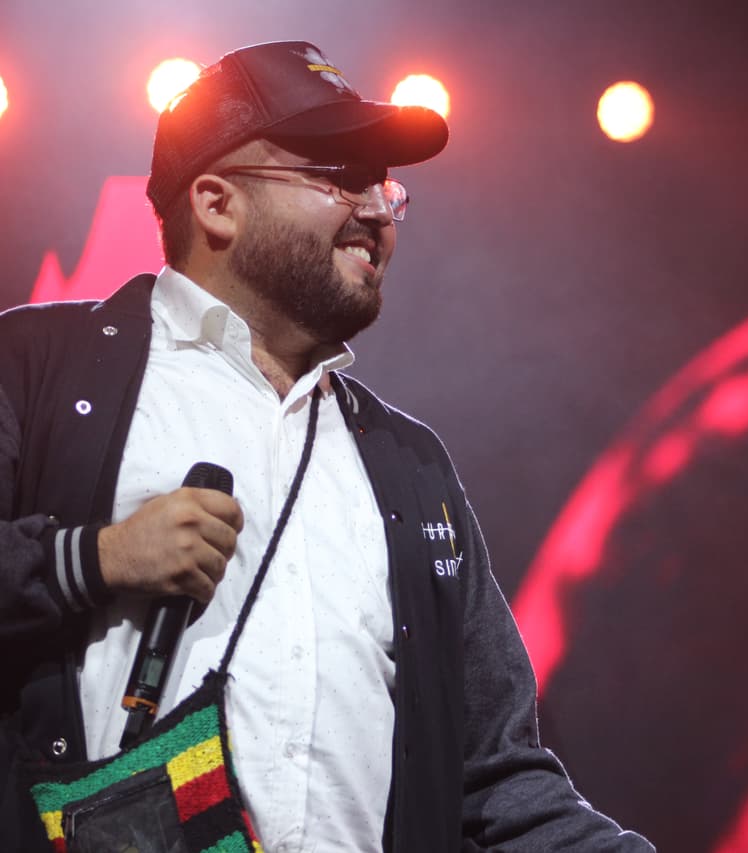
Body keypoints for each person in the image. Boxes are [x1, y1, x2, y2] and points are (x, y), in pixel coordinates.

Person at [0, 40, 654, 852]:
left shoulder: (409, 466)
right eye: (337, 177)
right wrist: (91, 560)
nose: (378, 209)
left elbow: (497, 776)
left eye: (383, 184)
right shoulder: (37, 369)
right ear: (215, 203)